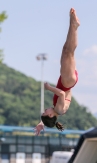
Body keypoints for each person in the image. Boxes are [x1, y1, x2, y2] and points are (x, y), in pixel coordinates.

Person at [34, 8, 80, 136]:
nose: (46, 109)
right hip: (67, 81)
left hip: (68, 80)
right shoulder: (59, 109)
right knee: (69, 51)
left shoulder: (58, 111)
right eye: (45, 111)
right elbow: (61, 94)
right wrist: (49, 88)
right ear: (49, 114)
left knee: (66, 50)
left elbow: (51, 114)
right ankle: (74, 26)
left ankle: (73, 24)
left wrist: (42, 123)